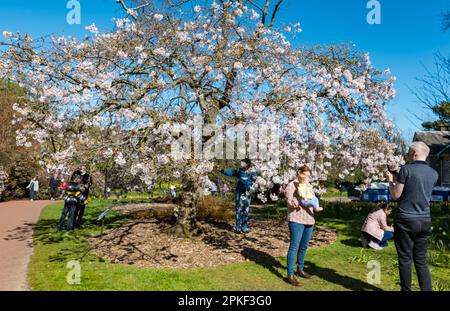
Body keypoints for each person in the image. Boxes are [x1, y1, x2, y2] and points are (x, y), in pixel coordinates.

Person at [388, 141, 438, 291]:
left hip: (405, 220)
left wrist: (391, 181)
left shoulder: (406, 170)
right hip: (424, 220)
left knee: (405, 259)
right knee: (421, 261)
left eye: (409, 153)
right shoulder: (434, 174)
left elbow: (396, 195)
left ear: (415, 154)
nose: (407, 155)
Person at [284, 165, 317, 287]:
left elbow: (313, 199)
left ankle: (300, 269)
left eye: (308, 175)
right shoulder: (292, 185)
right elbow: (290, 201)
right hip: (296, 219)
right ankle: (290, 275)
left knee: (304, 247)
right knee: (294, 246)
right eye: (305, 174)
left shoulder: (309, 186)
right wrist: (299, 200)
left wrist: (313, 202)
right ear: (299, 173)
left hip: (309, 219)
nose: (306, 177)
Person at [221, 158, 257, 234]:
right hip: (239, 192)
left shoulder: (252, 171)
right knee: (239, 209)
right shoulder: (239, 170)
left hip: (247, 193)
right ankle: (237, 227)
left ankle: (244, 227)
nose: (241, 164)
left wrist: (254, 178)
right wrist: (223, 171)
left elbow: (255, 180)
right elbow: (231, 172)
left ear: (247, 164)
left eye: (243, 163)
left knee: (246, 210)